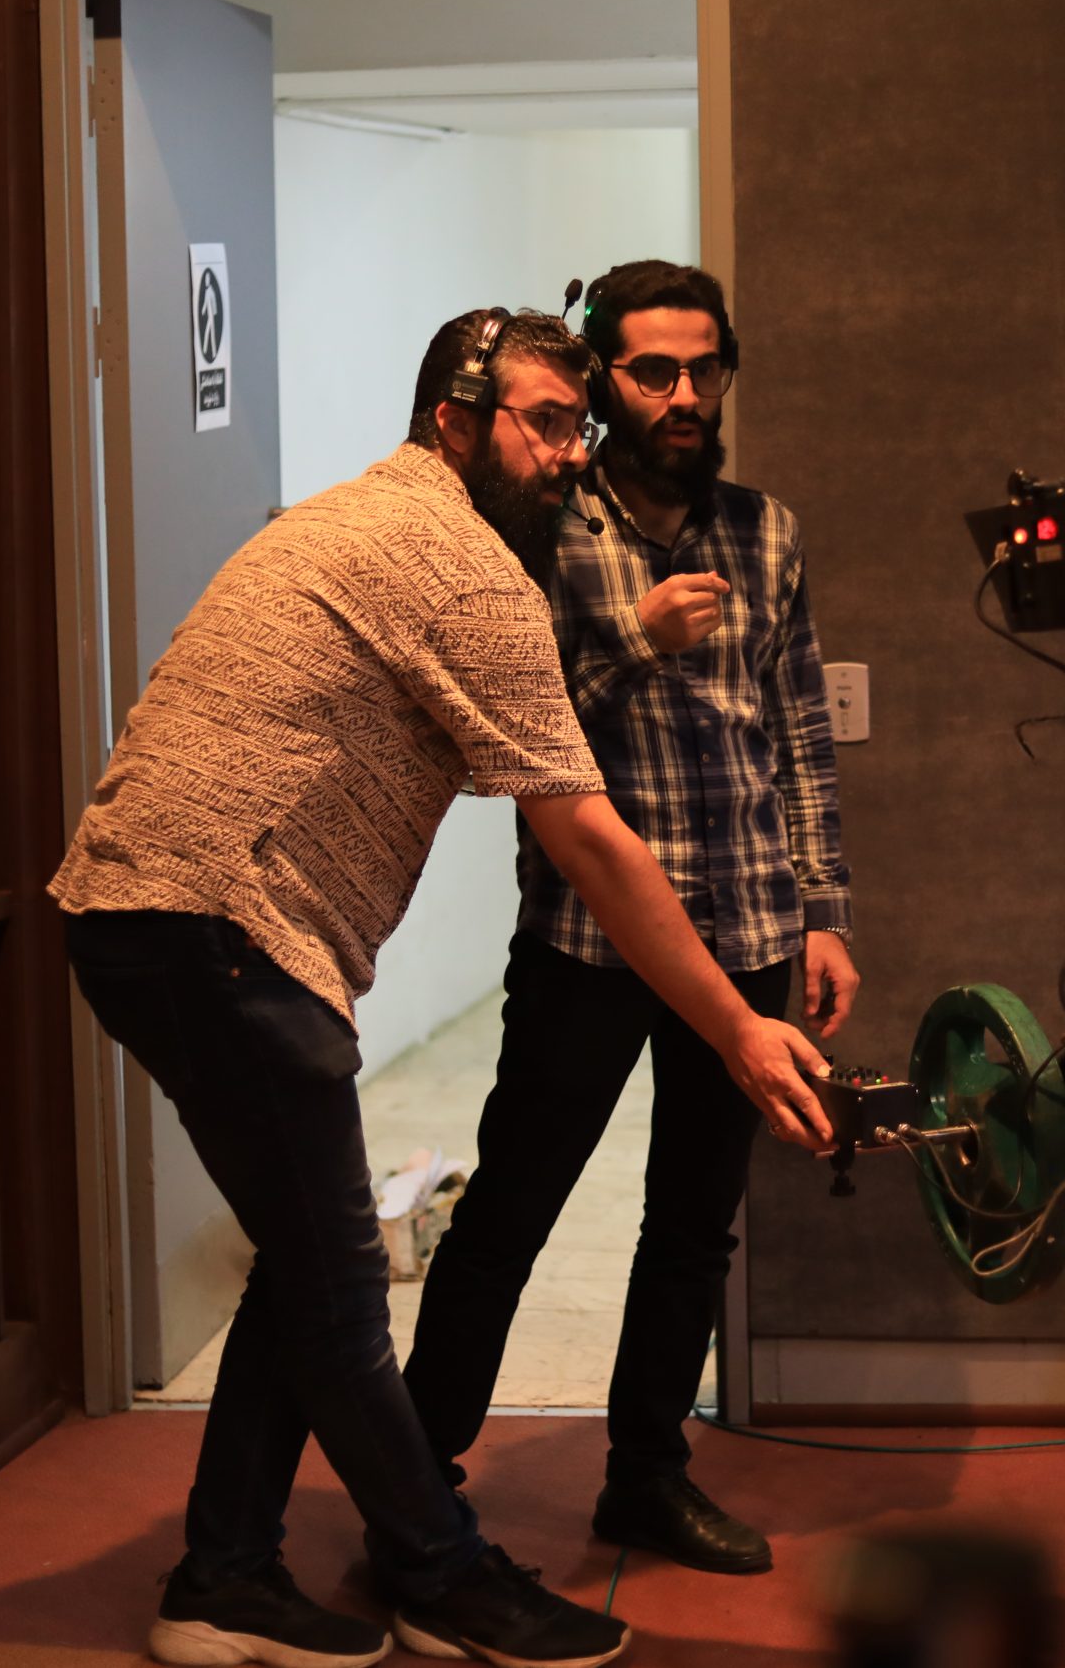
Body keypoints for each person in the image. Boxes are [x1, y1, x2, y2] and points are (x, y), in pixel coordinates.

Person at [51, 307, 836, 1668]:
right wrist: (736, 1028)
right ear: (456, 420)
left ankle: (223, 1576)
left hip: (157, 916)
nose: (570, 453)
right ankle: (443, 1573)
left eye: (578, 427)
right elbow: (587, 834)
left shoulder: (353, 517)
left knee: (302, 1266)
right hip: (220, 923)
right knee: (342, 1286)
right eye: (546, 423)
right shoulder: (462, 564)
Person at [405, 262, 857, 1577]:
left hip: (751, 928)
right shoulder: (537, 527)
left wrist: (824, 913)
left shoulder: (765, 532)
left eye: (703, 368)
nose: (683, 394)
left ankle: (647, 1477)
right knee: (511, 1211)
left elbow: (801, 732)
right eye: (653, 370)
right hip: (588, 943)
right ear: (604, 383)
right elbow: (502, 728)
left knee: (695, 1223)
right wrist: (636, 643)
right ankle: (415, 1486)